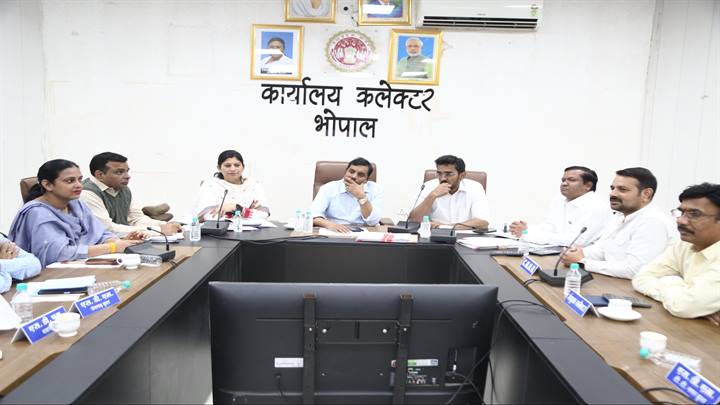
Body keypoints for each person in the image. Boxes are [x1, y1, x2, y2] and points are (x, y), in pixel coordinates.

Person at [8, 159, 143, 267]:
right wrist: (113, 247)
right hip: (51, 274)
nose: (79, 185)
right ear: (48, 185)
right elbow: (59, 253)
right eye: (70, 181)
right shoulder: (37, 213)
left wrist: (121, 241)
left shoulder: (76, 203)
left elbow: (99, 233)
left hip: (80, 265)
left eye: (80, 179)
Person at [561, 167, 676, 279]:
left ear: (646, 194)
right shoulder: (620, 216)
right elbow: (602, 250)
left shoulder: (653, 222)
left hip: (633, 288)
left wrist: (582, 262)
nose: (613, 194)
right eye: (613, 188)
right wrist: (578, 253)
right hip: (614, 282)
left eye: (622, 189)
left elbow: (635, 270)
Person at [632, 183, 720, 323]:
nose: (681, 220)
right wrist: (676, 284)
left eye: (694, 214)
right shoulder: (685, 244)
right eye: (681, 212)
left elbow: (683, 307)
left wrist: (687, 300)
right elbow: (640, 278)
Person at [80, 152, 182, 236]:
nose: (127, 176)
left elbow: (136, 218)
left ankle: (152, 215)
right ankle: (151, 213)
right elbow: (107, 229)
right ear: (100, 175)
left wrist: (166, 225)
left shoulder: (122, 188)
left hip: (122, 240)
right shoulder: (86, 193)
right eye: (119, 172)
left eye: (127, 171)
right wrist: (159, 230)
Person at [509, 166, 612, 246]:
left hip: (579, 260)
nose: (564, 183)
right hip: (554, 251)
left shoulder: (596, 207)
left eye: (571, 180)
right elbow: (549, 227)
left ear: (588, 186)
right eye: (563, 180)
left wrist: (529, 235)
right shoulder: (559, 199)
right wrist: (525, 229)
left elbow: (575, 241)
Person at [408, 155, 490, 230]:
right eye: (439, 174)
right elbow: (413, 220)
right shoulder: (428, 186)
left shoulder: (475, 187)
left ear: (462, 175)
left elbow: (482, 223)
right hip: (434, 236)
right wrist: (432, 196)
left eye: (449, 174)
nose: (443, 178)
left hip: (465, 235)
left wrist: (444, 226)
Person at [192, 150, 270, 221]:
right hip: (220, 231)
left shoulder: (253, 185)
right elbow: (210, 217)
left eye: (237, 165)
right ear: (219, 168)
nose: (232, 169)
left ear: (243, 167)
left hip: (251, 231)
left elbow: (264, 214)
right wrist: (246, 212)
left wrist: (235, 207)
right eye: (227, 165)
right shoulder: (210, 185)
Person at [310, 157, 384, 232]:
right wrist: (330, 225)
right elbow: (313, 215)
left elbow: (373, 222)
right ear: (346, 171)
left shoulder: (376, 189)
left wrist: (361, 196)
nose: (354, 176)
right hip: (334, 230)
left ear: (367, 179)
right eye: (351, 171)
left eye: (360, 174)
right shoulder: (328, 188)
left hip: (363, 231)